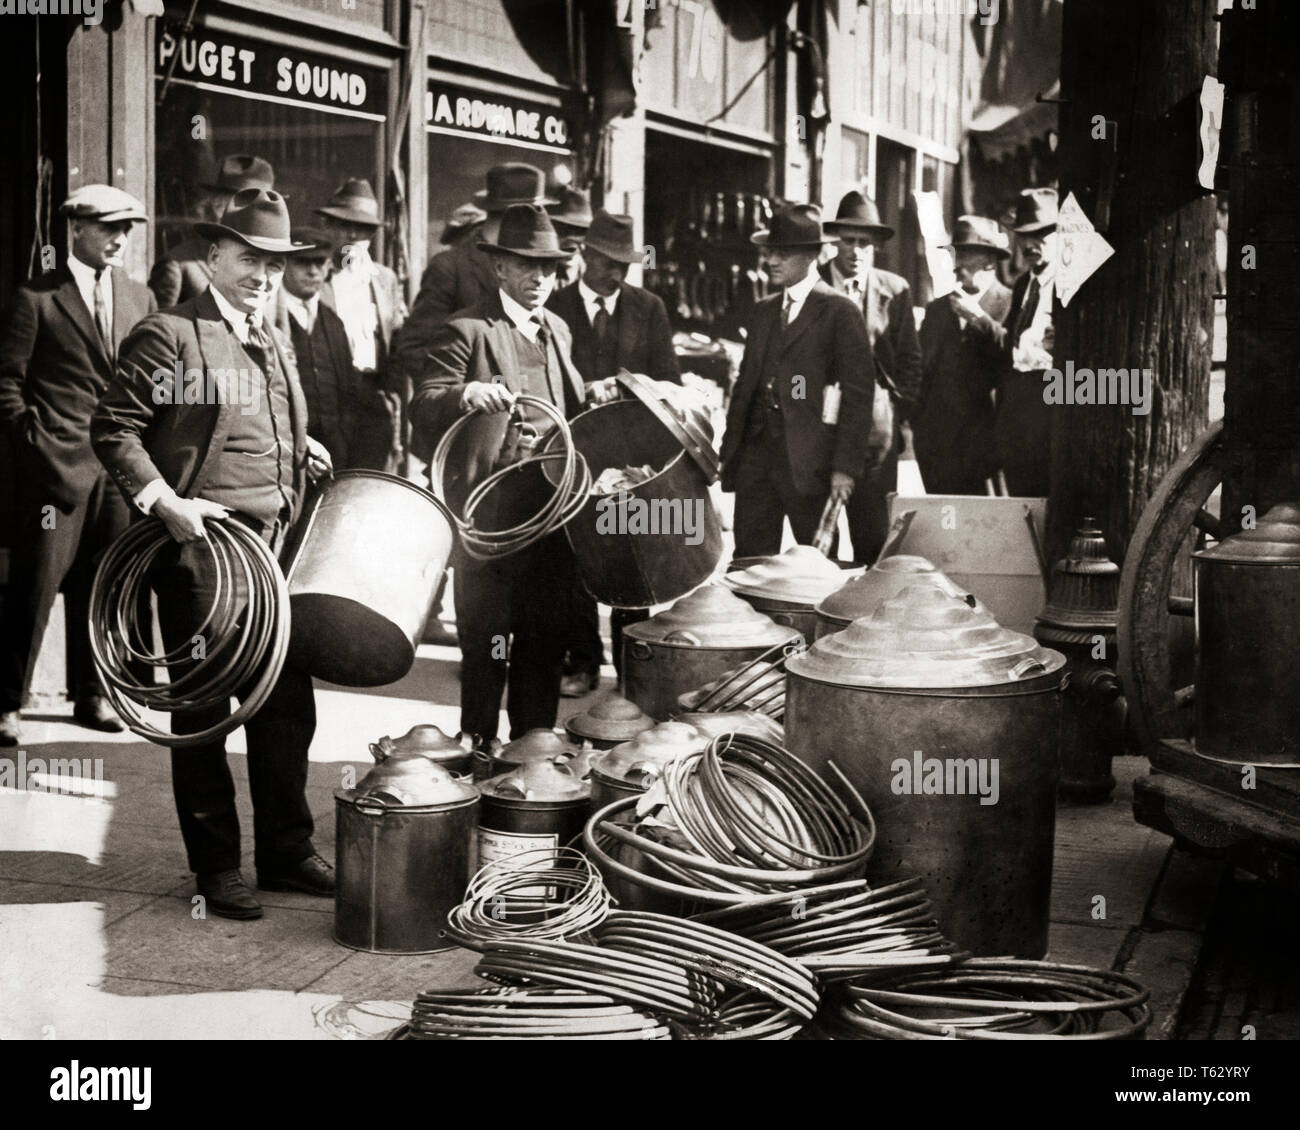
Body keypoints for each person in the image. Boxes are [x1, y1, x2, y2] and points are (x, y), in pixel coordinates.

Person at [91, 187, 336, 921]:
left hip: (275, 555)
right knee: (204, 714)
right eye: (250, 259)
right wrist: (165, 501)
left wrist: (299, 450)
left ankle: (287, 852)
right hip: (203, 554)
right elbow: (114, 430)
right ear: (213, 257)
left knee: (286, 709)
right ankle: (218, 867)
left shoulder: (273, 333)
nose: (263, 273)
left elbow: (263, 419)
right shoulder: (170, 333)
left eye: (273, 261)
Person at [411, 204, 617, 743]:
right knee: (485, 644)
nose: (540, 279)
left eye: (548, 269)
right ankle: (476, 750)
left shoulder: (558, 331)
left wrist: (593, 396)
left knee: (542, 642)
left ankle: (532, 752)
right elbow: (424, 403)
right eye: (527, 266)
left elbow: (571, 414)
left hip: (550, 516)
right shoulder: (467, 331)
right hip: (491, 520)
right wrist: (465, 393)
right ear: (499, 268)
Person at [0, 186, 156, 745]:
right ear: (76, 229)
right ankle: (6, 702)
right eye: (107, 227)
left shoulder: (140, 299)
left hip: (118, 473)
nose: (118, 239)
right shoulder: (37, 297)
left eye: (126, 229)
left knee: (105, 589)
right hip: (54, 473)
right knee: (34, 587)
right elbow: (7, 386)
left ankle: (92, 696)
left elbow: (150, 382)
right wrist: (37, 444)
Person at [547, 209, 679, 695]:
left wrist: (624, 386)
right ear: (584, 254)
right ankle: (582, 661)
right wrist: (585, 391)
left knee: (630, 557)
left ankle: (631, 670)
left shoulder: (649, 308)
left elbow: (670, 381)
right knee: (577, 559)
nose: (617, 273)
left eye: (625, 264)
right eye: (608, 263)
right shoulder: (554, 307)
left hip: (631, 452)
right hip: (575, 452)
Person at [720, 204, 875, 558]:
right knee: (750, 564)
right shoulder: (763, 311)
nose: (771, 261)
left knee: (815, 568)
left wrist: (844, 469)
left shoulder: (839, 311)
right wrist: (732, 451)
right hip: (756, 460)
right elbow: (744, 387)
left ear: (811, 256)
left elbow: (857, 396)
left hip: (811, 465)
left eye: (782, 253)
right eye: (769, 252)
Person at [394, 163, 557, 441]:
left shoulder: (549, 301)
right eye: (526, 214)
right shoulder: (451, 266)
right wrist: (466, 385)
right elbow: (413, 347)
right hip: (470, 432)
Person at [820, 190, 922, 564]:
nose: (856, 250)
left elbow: (910, 361)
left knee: (873, 542)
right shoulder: (813, 286)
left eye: (865, 243)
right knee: (819, 545)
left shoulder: (894, 291)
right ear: (836, 242)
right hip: (821, 432)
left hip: (876, 440)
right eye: (848, 241)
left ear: (876, 245)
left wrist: (893, 410)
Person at [914, 216, 1013, 495]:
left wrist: (978, 319)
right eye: (954, 254)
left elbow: (1012, 360)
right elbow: (921, 373)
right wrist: (921, 429)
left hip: (988, 455)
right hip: (938, 454)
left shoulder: (1011, 304)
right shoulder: (937, 310)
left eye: (965, 254)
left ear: (990, 260)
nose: (956, 264)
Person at [315, 178, 408, 472]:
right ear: (328, 228)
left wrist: (390, 395)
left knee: (371, 485)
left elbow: (398, 340)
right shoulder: (315, 278)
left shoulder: (384, 278)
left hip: (372, 398)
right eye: (344, 225)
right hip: (327, 400)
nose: (353, 235)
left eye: (363, 229)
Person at [272, 227, 377, 469]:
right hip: (285, 452)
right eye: (302, 263)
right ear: (284, 264)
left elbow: (349, 391)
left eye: (319, 263)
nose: (312, 271)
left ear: (329, 265)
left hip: (334, 452)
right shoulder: (270, 318)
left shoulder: (333, 321)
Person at [993, 186, 1058, 497]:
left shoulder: (1068, 285)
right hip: (1019, 408)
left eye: (1042, 234)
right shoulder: (1023, 285)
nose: (1032, 244)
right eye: (1024, 235)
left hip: (1053, 405)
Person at [149, 154, 275, 308]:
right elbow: (160, 327)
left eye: (263, 209)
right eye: (248, 206)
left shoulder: (271, 266)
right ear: (218, 207)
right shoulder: (179, 265)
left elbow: (280, 330)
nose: (259, 218)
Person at [548, 186, 592, 287]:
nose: (571, 242)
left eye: (580, 232)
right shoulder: (537, 275)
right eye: (563, 231)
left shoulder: (592, 275)